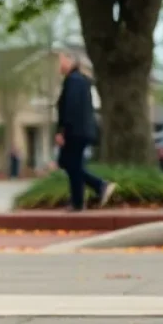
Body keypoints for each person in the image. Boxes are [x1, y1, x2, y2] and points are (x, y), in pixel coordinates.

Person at [55, 52, 116, 212]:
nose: (59, 64)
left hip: (74, 131)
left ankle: (100, 185)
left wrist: (62, 131)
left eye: (61, 60)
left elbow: (71, 108)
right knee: (73, 164)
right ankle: (77, 202)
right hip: (82, 131)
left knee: (69, 163)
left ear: (71, 61)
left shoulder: (73, 81)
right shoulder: (80, 80)